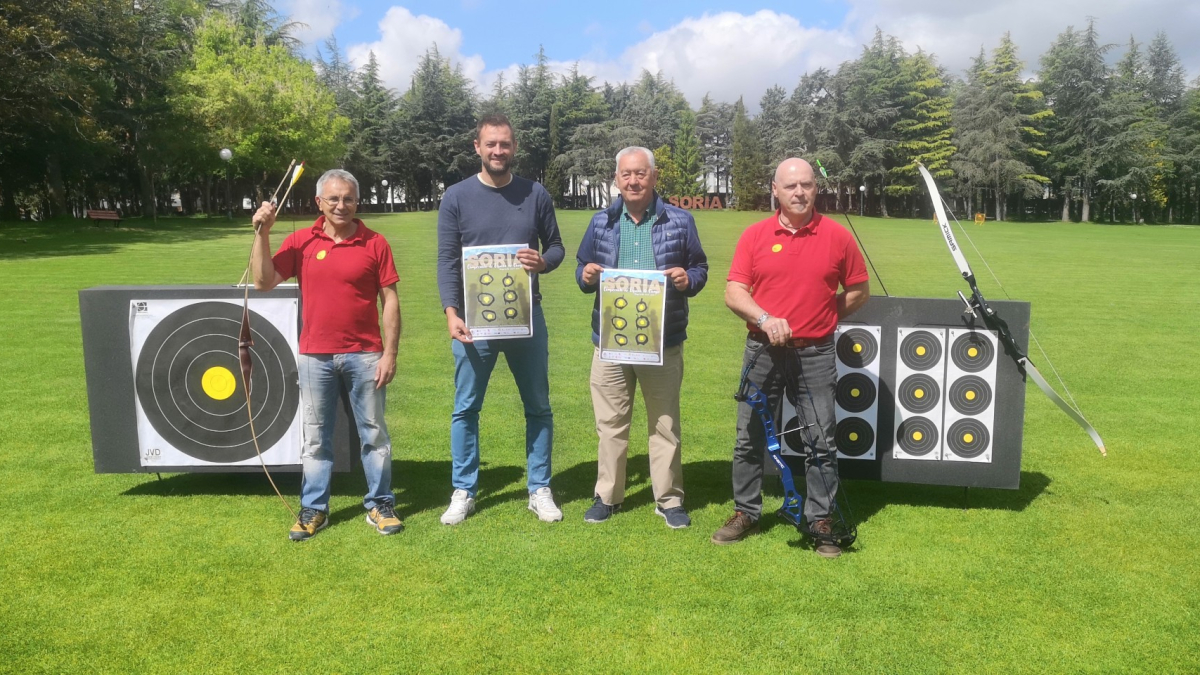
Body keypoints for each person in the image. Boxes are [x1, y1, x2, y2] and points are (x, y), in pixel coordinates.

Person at [712, 158, 870, 558]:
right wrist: (764, 319)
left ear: (816, 188)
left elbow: (858, 291)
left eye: (806, 185)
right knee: (748, 437)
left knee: (821, 439)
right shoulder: (755, 235)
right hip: (762, 349)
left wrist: (823, 316)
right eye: (791, 186)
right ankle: (746, 511)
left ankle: (820, 519)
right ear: (775, 190)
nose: (799, 192)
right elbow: (734, 292)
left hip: (815, 353)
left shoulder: (838, 237)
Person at [251, 169, 403, 541]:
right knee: (316, 438)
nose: (341, 205)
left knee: (374, 434)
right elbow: (262, 281)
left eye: (348, 198)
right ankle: (314, 509)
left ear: (357, 201)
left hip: (366, 354)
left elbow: (391, 300)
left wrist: (390, 354)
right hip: (315, 355)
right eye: (333, 199)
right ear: (319, 202)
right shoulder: (302, 240)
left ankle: (380, 504)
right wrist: (263, 233)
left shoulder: (375, 242)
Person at [436, 113, 566, 525]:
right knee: (466, 407)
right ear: (477, 147)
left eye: (505, 144)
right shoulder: (456, 196)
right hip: (474, 323)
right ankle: (463, 490)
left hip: (527, 319)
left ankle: (539, 488)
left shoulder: (535, 193)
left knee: (539, 406)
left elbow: (558, 247)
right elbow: (447, 261)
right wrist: (451, 312)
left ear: (514, 147)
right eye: (491, 144)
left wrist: (542, 261)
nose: (498, 151)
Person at [575, 146, 708, 528]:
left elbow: (699, 267)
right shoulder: (601, 221)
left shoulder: (680, 221)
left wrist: (689, 279)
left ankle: (669, 500)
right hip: (610, 342)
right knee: (611, 422)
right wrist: (585, 276)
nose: (633, 180)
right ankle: (608, 496)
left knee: (664, 423)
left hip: (662, 341)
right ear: (617, 179)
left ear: (653, 177)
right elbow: (583, 266)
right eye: (626, 174)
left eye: (641, 173)